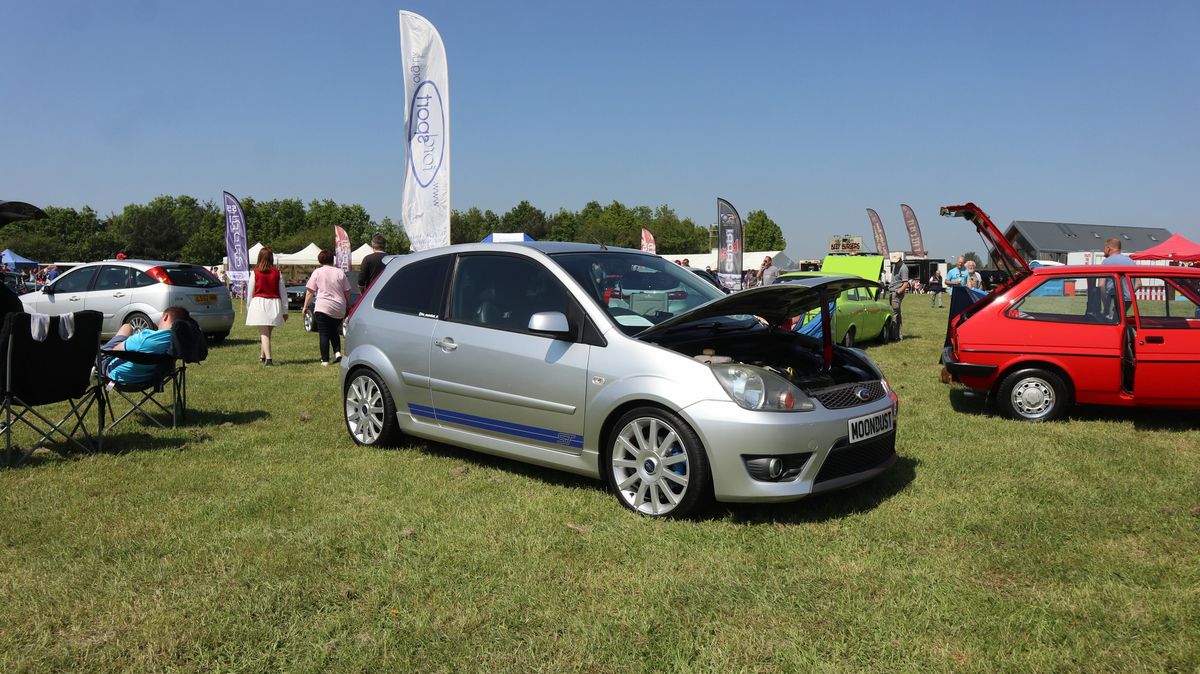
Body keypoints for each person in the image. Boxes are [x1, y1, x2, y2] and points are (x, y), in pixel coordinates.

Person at [100, 306, 188, 385]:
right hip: (150, 378)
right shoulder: (178, 341)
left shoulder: (145, 339)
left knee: (126, 327)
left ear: (165, 317)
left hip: (118, 375)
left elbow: (115, 350)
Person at [302, 249, 351, 366]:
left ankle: (324, 360)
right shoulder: (340, 272)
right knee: (333, 330)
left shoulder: (318, 272)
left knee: (324, 333)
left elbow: (310, 292)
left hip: (323, 306)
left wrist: (305, 307)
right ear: (332, 259)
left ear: (320, 260)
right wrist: (348, 305)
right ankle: (338, 352)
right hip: (339, 307)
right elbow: (347, 291)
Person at [246, 247, 287, 366]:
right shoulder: (277, 273)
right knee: (267, 333)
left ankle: (268, 359)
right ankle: (262, 356)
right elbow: (283, 293)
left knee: (264, 333)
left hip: (259, 303)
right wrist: (285, 310)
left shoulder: (255, 272)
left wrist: (249, 307)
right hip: (274, 304)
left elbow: (250, 292)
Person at [1100, 237, 1135, 317]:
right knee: (1121, 318)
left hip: (1113, 298)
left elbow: (1101, 285)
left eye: (1104, 248)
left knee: (1111, 321)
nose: (1103, 251)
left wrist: (1105, 303)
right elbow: (1139, 284)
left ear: (1108, 248)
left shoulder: (1106, 262)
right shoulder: (1131, 262)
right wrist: (1129, 293)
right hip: (1128, 300)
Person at [888, 252, 909, 340]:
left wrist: (898, 291)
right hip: (892, 291)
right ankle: (898, 335)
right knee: (897, 313)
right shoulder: (894, 265)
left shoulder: (904, 268)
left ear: (900, 259)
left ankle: (894, 336)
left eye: (896, 261)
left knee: (894, 313)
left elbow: (905, 283)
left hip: (897, 293)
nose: (894, 263)